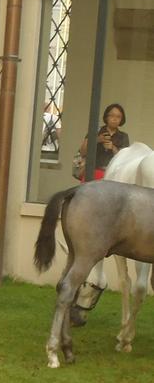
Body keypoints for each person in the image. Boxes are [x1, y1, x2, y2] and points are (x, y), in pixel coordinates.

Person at [71, 103, 131, 326]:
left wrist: (112, 147)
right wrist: (96, 140)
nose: (114, 119)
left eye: (118, 116)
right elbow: (83, 151)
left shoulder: (123, 137)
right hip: (94, 172)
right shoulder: (96, 131)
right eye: (111, 116)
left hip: (110, 176)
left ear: (121, 119)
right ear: (106, 117)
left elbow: (123, 159)